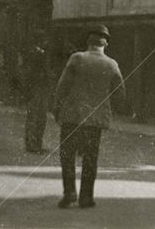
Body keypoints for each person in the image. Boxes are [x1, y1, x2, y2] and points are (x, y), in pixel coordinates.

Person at [53, 24, 125, 209]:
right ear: (106, 44)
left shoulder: (76, 59)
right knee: (90, 159)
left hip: (72, 117)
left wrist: (57, 109)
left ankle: (69, 193)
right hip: (95, 120)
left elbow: (62, 87)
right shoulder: (112, 64)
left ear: (88, 42)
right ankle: (86, 197)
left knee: (67, 156)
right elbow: (119, 93)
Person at [23, 33, 51, 153]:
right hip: (36, 87)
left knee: (39, 117)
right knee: (36, 116)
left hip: (39, 87)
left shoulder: (36, 53)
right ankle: (32, 144)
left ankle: (36, 143)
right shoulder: (36, 54)